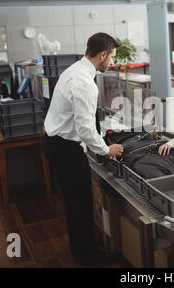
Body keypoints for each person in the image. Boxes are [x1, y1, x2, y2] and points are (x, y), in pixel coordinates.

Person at [43, 33, 124, 264]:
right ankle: (88, 255)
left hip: (55, 141)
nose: (112, 63)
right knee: (81, 202)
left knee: (73, 201)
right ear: (102, 55)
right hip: (65, 149)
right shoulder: (84, 82)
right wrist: (107, 150)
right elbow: (86, 129)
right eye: (112, 58)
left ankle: (81, 246)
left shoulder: (73, 71)